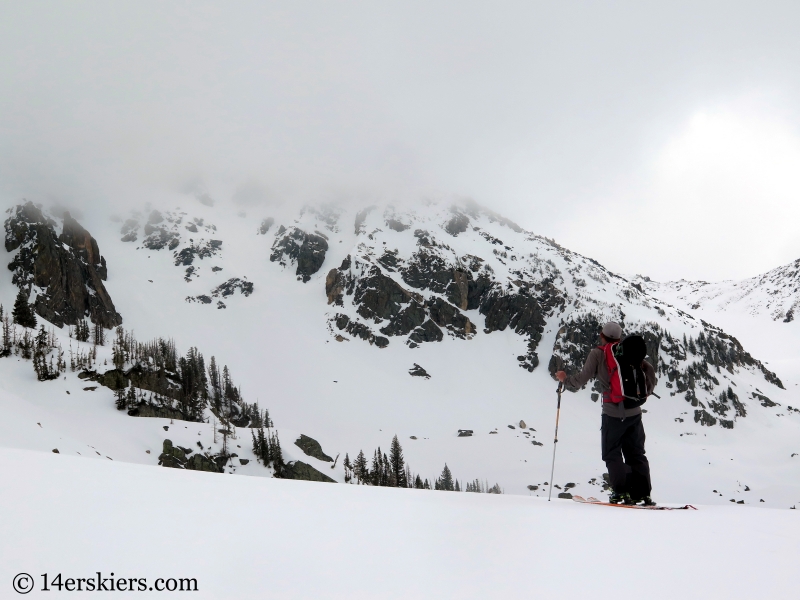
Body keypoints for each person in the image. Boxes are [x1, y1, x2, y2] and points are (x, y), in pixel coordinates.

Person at [555, 321, 657, 505]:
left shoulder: (598, 353)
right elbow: (649, 372)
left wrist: (565, 379)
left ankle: (621, 492)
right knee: (636, 453)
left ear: (602, 335)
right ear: (619, 337)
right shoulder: (628, 351)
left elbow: (580, 380)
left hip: (613, 413)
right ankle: (642, 494)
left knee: (612, 453)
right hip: (635, 412)